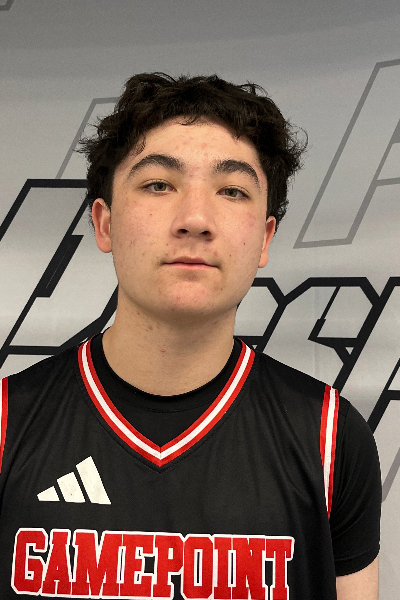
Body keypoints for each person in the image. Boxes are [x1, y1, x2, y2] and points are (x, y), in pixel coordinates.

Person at [0, 73, 380, 599]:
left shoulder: (331, 437)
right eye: (159, 184)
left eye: (232, 190)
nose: (196, 219)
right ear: (104, 223)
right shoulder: (5, 424)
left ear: (264, 238)